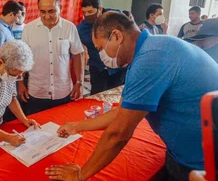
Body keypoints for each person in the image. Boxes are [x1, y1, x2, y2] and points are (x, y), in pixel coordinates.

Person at [45, 11, 218, 181]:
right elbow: (121, 111)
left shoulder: (150, 59)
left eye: (100, 48)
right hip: (184, 154)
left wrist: (80, 175)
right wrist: (77, 126)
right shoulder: (152, 48)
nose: (100, 55)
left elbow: (118, 133)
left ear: (116, 36)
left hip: (202, 164)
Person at [19, 0, 84, 115]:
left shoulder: (69, 28)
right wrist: (20, 83)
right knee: (36, 130)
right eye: (43, 12)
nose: (47, 16)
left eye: (51, 11)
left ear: (60, 8)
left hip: (62, 91)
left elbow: (78, 54)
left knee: (62, 129)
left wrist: (79, 82)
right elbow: (22, 58)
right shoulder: (28, 29)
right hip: (37, 91)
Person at [77, 0, 127, 95]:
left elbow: (128, 37)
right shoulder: (82, 29)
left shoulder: (115, 16)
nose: (87, 15)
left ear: (99, 8)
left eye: (90, 12)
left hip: (118, 67)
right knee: (97, 96)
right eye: (84, 12)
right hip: (98, 68)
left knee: (117, 95)